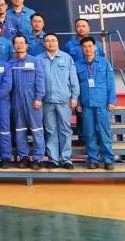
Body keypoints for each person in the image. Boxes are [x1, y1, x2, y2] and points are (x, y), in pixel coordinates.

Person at [76, 36, 119, 170]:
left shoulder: (104, 62)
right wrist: (78, 102)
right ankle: (93, 159)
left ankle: (108, 160)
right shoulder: (77, 64)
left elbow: (111, 82)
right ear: (81, 49)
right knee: (89, 133)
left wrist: (111, 100)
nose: (87, 49)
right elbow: (75, 85)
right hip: (86, 104)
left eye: (90, 46)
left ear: (95, 47)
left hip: (102, 103)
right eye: (84, 47)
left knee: (104, 132)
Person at [41, 33, 79, 169]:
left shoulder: (66, 58)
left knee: (65, 130)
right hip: (46, 101)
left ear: (58, 42)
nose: (50, 43)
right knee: (50, 130)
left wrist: (75, 97)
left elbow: (73, 79)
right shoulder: (39, 59)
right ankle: (53, 159)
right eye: (47, 41)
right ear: (44, 43)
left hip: (64, 101)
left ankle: (66, 159)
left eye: (53, 40)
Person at [10, 35, 46, 169]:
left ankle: (38, 158)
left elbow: (40, 81)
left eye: (22, 43)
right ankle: (23, 157)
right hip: (16, 101)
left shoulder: (35, 61)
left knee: (37, 130)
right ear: (14, 46)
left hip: (32, 101)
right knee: (20, 130)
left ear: (26, 45)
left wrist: (38, 98)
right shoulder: (10, 63)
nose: (19, 45)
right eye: (17, 43)